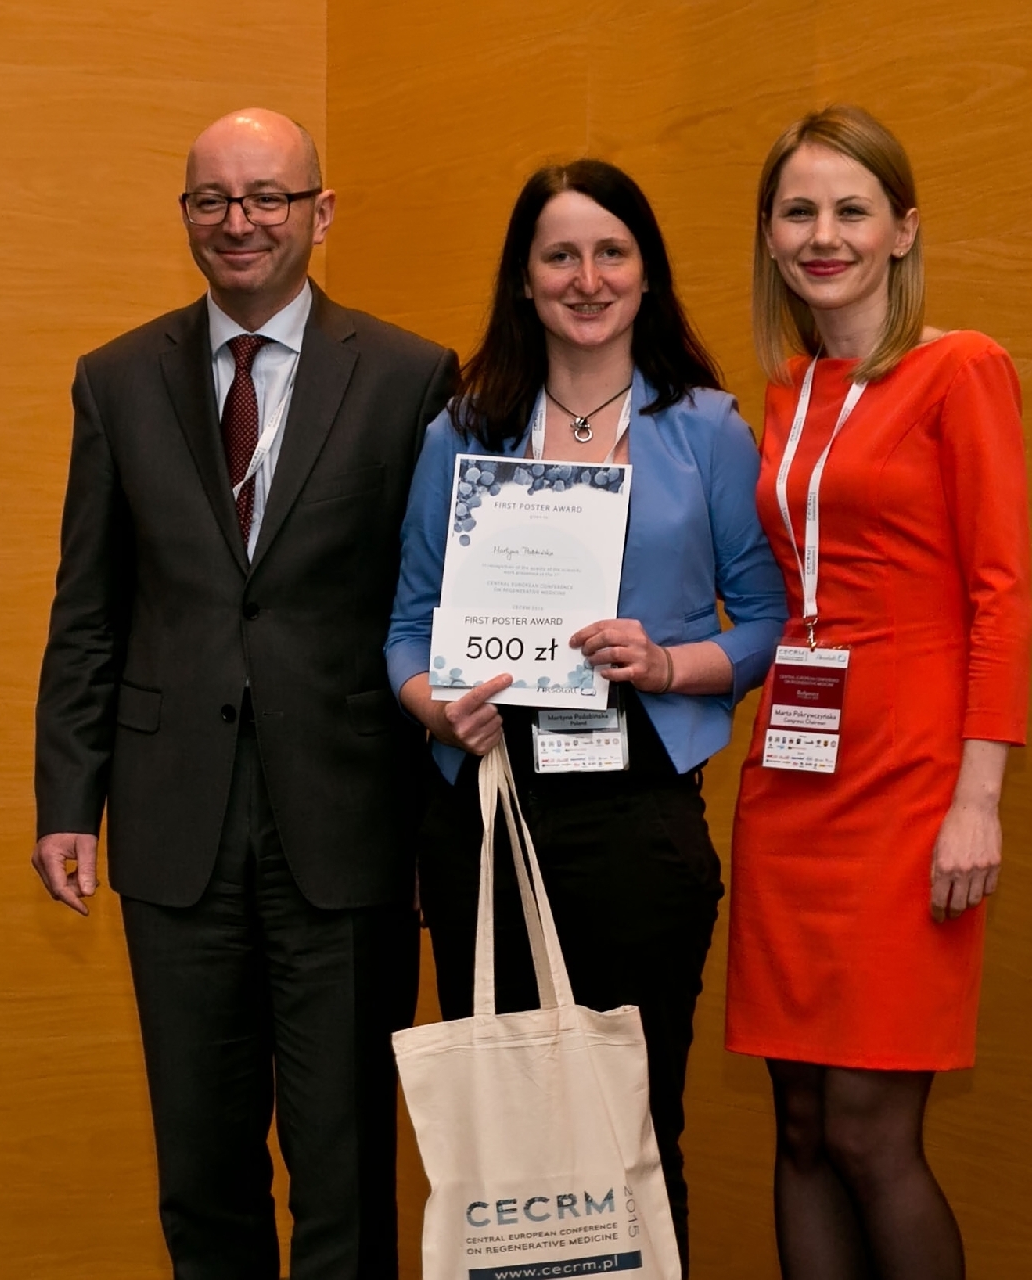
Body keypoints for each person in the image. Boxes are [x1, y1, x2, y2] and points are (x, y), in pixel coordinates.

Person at [31, 108, 459, 1280]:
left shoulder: (412, 376)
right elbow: (89, 608)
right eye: (213, 199)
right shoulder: (117, 379)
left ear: (321, 212)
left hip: (348, 823)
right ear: (185, 216)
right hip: (175, 827)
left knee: (345, 1170)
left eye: (269, 196)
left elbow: (431, 600)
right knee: (202, 1167)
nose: (240, 221)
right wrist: (68, 799)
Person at [386, 159, 789, 1275]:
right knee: (510, 1149)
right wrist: (435, 709)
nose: (587, 277)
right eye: (560, 255)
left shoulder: (705, 429)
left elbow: (766, 620)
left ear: (648, 274)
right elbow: (407, 626)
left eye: (612, 252)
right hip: (486, 819)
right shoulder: (462, 430)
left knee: (635, 1132)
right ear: (524, 279)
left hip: (638, 823)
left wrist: (666, 662)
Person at [725, 105, 1032, 1280]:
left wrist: (978, 799)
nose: (824, 235)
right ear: (769, 233)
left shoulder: (962, 367)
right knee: (800, 1124)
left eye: (851, 210)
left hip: (912, 783)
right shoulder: (788, 390)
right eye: (798, 211)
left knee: (867, 1126)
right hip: (794, 775)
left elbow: (1001, 594)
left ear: (903, 228)